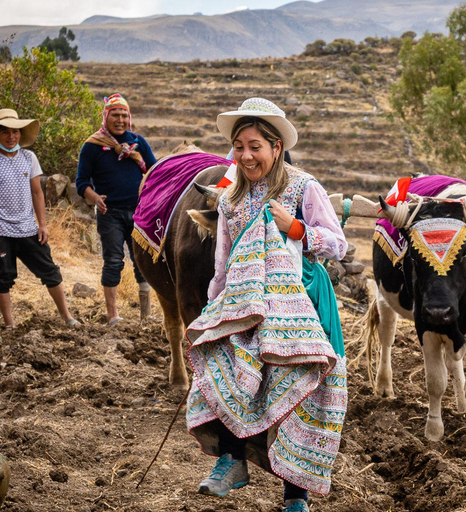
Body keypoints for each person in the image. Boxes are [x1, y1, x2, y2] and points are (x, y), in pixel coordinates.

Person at [184, 98, 347, 512]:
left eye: (255, 145)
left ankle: (296, 496)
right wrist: (213, 307)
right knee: (233, 371)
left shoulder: (302, 186)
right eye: (239, 146)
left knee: (297, 388)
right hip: (245, 300)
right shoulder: (230, 199)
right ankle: (232, 460)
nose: (246, 155)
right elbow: (222, 262)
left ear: (276, 147)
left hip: (302, 301)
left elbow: (337, 244)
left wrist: (294, 227)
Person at [0, 108, 79, 328]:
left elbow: (37, 193)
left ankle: (67, 317)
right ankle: (10, 325)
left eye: (16, 132)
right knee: (3, 276)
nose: (12, 137)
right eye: (6, 132)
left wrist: (43, 225)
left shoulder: (29, 158)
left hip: (28, 227)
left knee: (50, 271)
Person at [76, 94, 157, 325]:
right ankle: (113, 315)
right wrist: (94, 197)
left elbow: (154, 171)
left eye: (124, 115)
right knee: (113, 260)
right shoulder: (92, 146)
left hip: (140, 212)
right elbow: (82, 182)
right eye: (115, 115)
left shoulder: (138, 143)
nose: (120, 120)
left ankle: (146, 315)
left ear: (129, 117)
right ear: (106, 116)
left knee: (142, 261)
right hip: (109, 213)